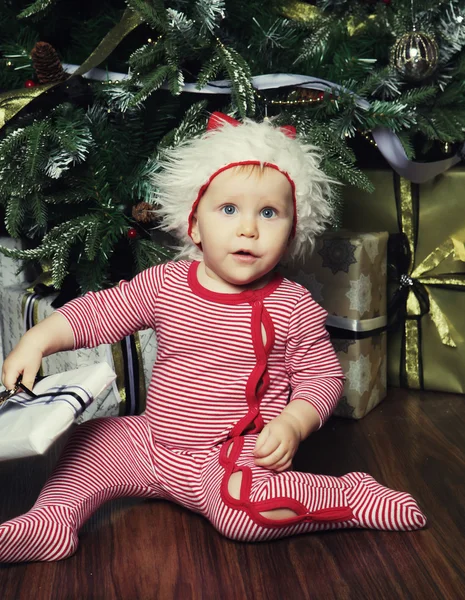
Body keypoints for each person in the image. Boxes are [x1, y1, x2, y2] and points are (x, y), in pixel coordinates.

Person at [0, 112, 426, 563]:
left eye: (269, 212)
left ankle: (349, 496)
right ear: (195, 225)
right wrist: (38, 340)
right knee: (91, 444)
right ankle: (51, 520)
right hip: (151, 441)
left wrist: (293, 423)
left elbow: (321, 377)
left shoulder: (291, 304)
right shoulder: (167, 282)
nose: (248, 228)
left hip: (229, 456)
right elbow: (100, 312)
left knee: (245, 513)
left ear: (292, 231)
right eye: (228, 209)